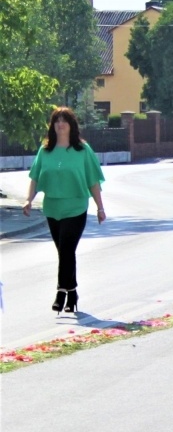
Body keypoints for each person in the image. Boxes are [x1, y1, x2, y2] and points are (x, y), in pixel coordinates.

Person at [22, 107, 106, 315]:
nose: (60, 124)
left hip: (76, 207)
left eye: (64, 121)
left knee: (67, 250)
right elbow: (35, 177)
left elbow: (93, 180)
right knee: (64, 253)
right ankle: (73, 293)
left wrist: (100, 207)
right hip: (52, 208)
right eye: (56, 121)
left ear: (71, 125)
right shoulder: (46, 150)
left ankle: (61, 293)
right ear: (53, 126)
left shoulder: (82, 150)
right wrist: (28, 200)